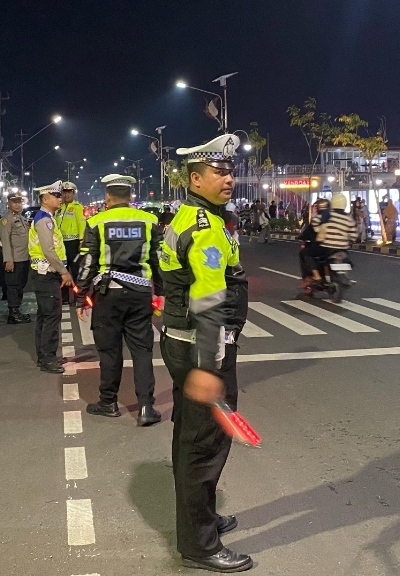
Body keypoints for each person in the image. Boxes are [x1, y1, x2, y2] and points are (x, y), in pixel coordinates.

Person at [158, 133, 252, 572]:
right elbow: (209, 302)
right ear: (195, 179)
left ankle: (203, 519)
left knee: (190, 438)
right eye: (218, 172)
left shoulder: (193, 217)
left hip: (184, 341)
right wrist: (208, 367)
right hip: (201, 346)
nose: (228, 178)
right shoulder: (206, 228)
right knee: (204, 446)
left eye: (230, 171)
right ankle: (200, 545)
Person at [76, 174, 164, 426]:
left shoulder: (96, 221)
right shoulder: (149, 221)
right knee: (142, 351)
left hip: (108, 295)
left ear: (108, 196)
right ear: (130, 196)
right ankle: (146, 407)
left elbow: (88, 262)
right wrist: (161, 291)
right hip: (139, 295)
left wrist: (81, 296)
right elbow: (159, 260)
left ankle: (108, 402)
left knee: (109, 351)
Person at [29, 181, 74, 374]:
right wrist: (63, 271)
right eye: (56, 196)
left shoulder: (47, 218)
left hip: (44, 274)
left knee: (45, 316)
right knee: (51, 317)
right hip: (47, 274)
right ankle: (48, 358)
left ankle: (44, 355)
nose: (60, 198)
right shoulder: (44, 220)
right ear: (45, 199)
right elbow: (48, 250)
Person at [301, 193, 359, 282]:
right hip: (342, 249)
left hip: (326, 248)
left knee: (305, 253)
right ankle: (345, 276)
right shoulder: (349, 219)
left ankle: (316, 275)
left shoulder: (327, 215)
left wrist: (319, 230)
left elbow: (314, 222)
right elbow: (354, 237)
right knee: (346, 259)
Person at [0, 192, 32, 324]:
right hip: (14, 259)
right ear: (8, 203)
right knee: (13, 286)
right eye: (15, 202)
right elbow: (5, 241)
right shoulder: (6, 220)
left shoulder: (21, 218)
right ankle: (13, 314)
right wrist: (8, 260)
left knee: (20, 285)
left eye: (19, 202)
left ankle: (17, 310)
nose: (18, 205)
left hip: (23, 258)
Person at [56, 181, 87, 300]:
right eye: (64, 192)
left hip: (73, 244)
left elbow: (82, 224)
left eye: (69, 192)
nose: (66, 195)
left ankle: (77, 297)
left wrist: (81, 241)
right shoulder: (58, 208)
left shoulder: (78, 207)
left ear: (73, 193)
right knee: (62, 270)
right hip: (60, 244)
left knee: (75, 272)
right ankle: (64, 298)